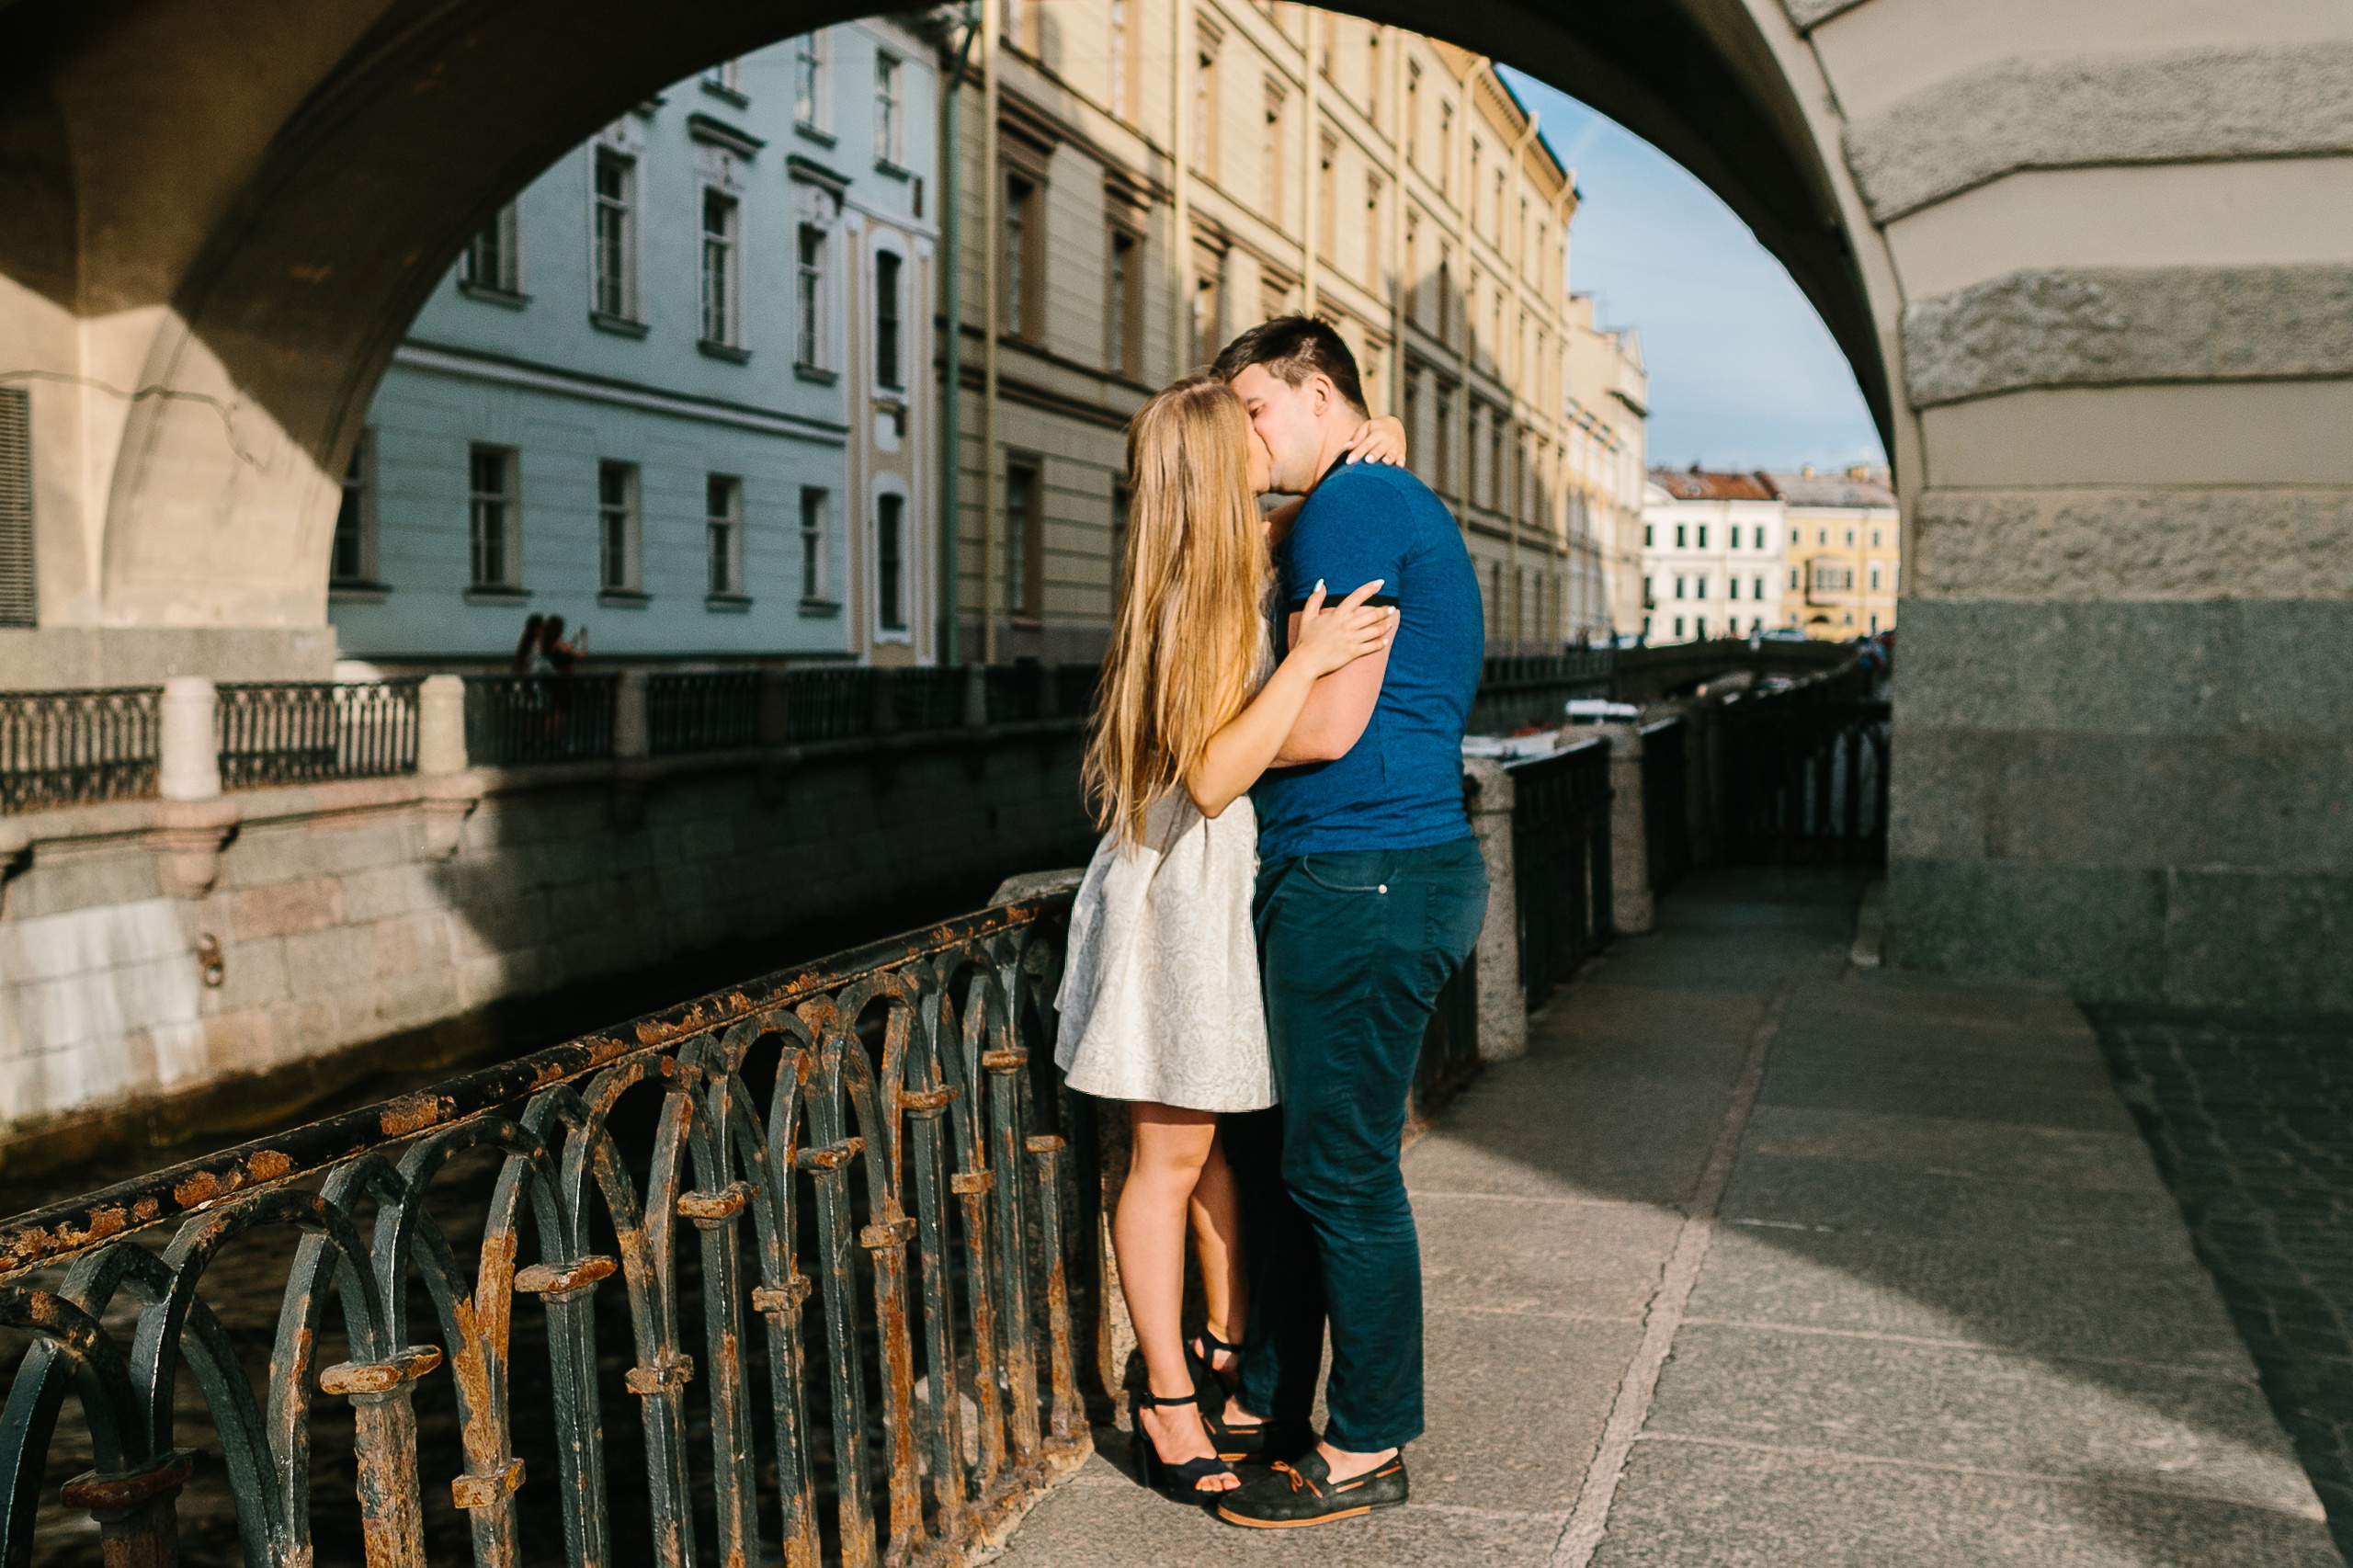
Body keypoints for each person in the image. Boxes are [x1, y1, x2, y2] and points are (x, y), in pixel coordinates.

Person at [1054, 372, 1405, 1504]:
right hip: (1173, 895)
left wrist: (1369, 441)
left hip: (1203, 888)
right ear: (1214, 466)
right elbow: (1209, 774)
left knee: (1206, 1154)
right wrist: (1306, 659)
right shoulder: (1185, 600)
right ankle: (1166, 1401)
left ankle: (1219, 1347)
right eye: (1243, 428)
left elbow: (1311, 494)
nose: (1266, 436)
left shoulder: (1225, 559)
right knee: (1166, 1160)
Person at [1204, 317, 1489, 1529]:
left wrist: (1217, 742)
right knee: (1298, 1163)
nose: (1242, 435)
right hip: (1371, 870)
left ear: (1316, 392)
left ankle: (1368, 1442)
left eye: (1256, 409)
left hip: (1361, 870)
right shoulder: (1358, 492)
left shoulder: (1352, 510)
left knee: (1341, 1171)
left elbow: (1324, 728)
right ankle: (1272, 1392)